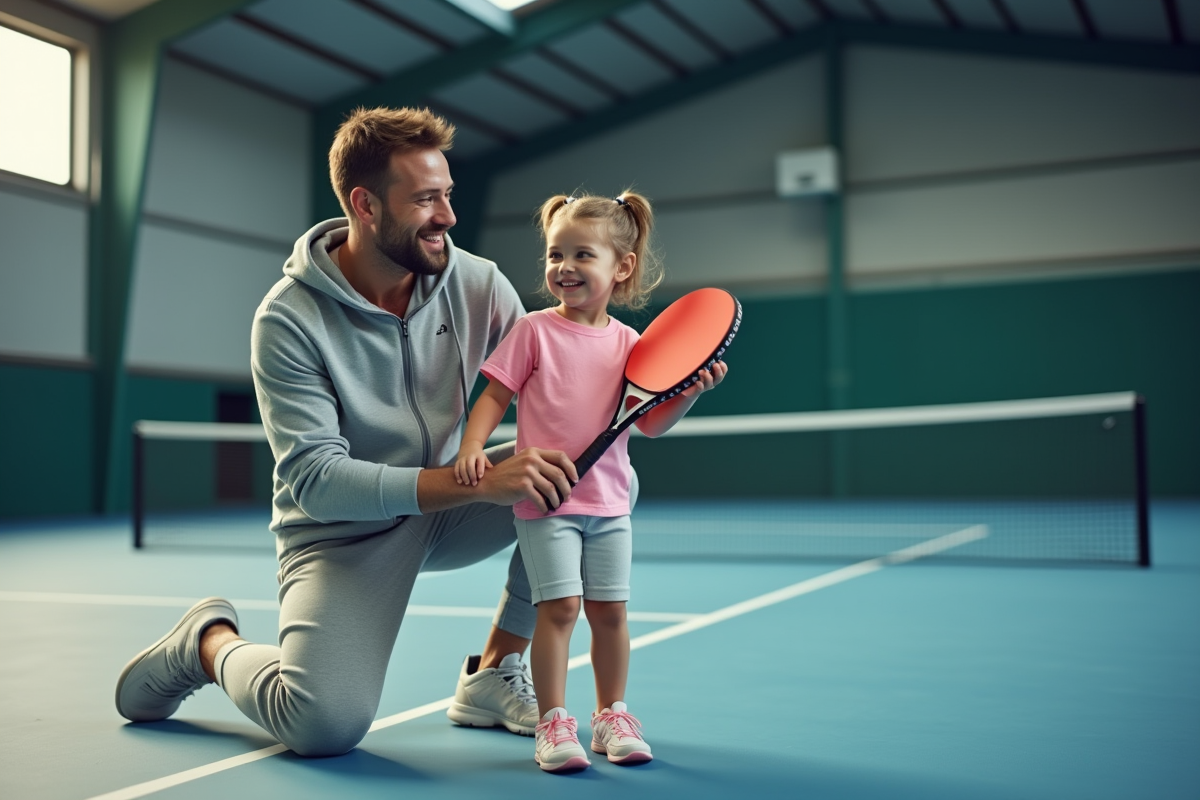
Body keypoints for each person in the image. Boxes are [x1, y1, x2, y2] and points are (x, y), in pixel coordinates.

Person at [113, 107, 586, 757]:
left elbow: (556, 385)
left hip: (445, 510)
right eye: (425, 199)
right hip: (340, 535)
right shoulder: (288, 319)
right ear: (366, 205)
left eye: (447, 193)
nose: (447, 215)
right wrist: (463, 482)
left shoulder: (476, 284)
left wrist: (650, 396)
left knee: (577, 474)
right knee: (323, 724)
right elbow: (317, 482)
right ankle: (207, 644)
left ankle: (495, 671)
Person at [454, 191, 727, 772]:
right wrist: (474, 446)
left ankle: (612, 716)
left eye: (582, 255)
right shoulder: (533, 331)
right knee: (560, 609)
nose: (564, 267)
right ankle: (554, 724)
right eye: (555, 255)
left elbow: (649, 423)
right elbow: (495, 395)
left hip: (609, 505)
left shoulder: (631, 345)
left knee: (610, 612)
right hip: (546, 503)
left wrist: (691, 393)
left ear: (621, 267)